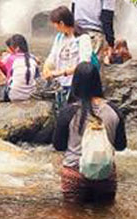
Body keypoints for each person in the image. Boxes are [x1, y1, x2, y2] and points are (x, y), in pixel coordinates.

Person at [53, 62, 127, 203]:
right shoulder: (114, 110)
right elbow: (121, 146)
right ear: (97, 82)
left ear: (76, 83)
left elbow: (58, 146)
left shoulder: (68, 112)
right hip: (104, 173)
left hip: (74, 174)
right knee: (106, 218)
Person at [43, 6, 94, 107]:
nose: (55, 28)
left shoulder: (82, 38)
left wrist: (60, 73)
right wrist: (46, 67)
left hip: (77, 86)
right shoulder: (59, 37)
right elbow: (52, 55)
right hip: (61, 85)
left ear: (61, 23)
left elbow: (84, 65)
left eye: (55, 25)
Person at [1, 34, 40, 102]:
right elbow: (37, 77)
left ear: (17, 48)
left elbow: (7, 75)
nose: (8, 49)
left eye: (10, 47)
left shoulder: (10, 58)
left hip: (13, 95)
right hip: (31, 94)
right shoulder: (32, 58)